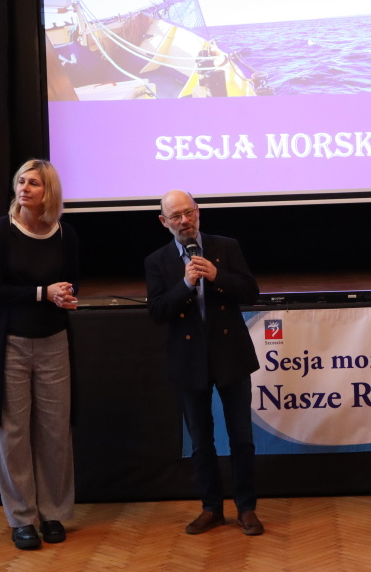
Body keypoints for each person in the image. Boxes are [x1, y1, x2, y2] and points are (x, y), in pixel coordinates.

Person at [144, 190, 264, 536]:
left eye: (189, 213)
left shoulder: (226, 247)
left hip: (231, 355)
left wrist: (216, 275)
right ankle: (211, 508)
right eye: (176, 216)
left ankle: (246, 508)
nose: (185, 221)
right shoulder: (157, 261)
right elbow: (158, 312)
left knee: (241, 438)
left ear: (198, 211)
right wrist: (185, 284)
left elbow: (251, 292)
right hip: (188, 361)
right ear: (164, 222)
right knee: (201, 441)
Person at [0, 159, 80, 550]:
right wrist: (43, 293)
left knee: (55, 432)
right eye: (21, 181)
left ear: (48, 191)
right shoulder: (0, 230)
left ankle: (52, 513)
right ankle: (22, 518)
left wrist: (67, 297)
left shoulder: (65, 234)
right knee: (13, 433)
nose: (24, 188)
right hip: (10, 343)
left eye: (34, 183)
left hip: (54, 340)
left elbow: (72, 282)